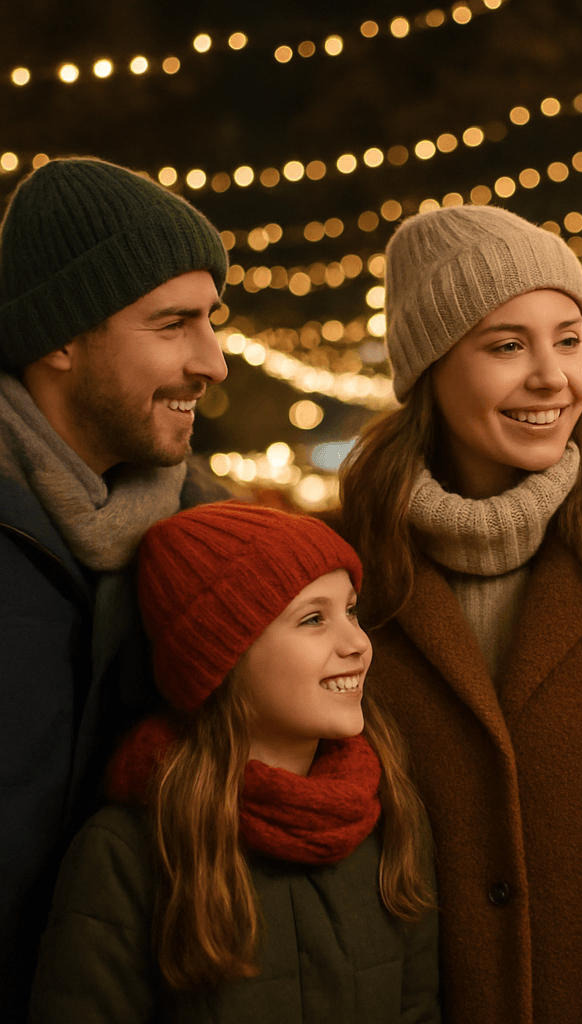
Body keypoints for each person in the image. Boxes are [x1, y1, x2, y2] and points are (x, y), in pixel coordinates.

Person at [328, 204, 582, 1024]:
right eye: (507, 345)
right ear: (430, 366)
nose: (554, 376)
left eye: (569, 337)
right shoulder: (343, 566)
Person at [31, 502, 440, 1023]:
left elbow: (419, 1010)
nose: (358, 643)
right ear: (223, 655)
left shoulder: (393, 818)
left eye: (351, 610)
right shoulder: (129, 852)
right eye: (314, 618)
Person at [0, 156, 230, 1014]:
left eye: (213, 320)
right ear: (59, 336)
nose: (213, 361)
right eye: (173, 324)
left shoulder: (209, 545)